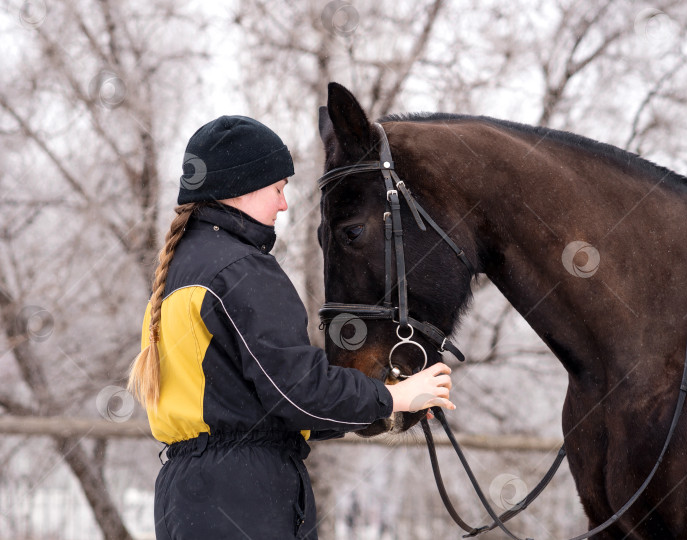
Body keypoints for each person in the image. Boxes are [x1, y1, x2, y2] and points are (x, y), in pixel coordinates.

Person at [127, 115, 455, 540]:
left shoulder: (178, 273)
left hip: (185, 498)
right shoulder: (243, 270)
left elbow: (268, 403)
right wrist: (393, 395)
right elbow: (297, 392)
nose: (284, 204)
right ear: (241, 188)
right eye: (278, 189)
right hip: (246, 499)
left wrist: (383, 405)